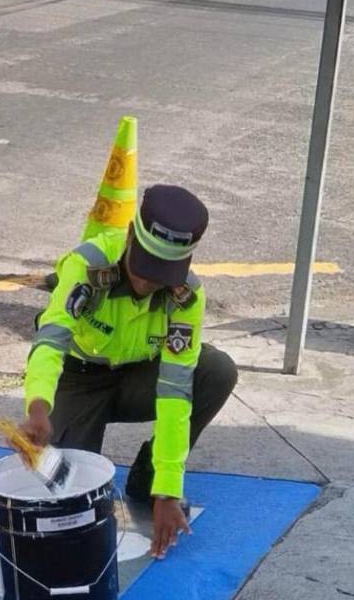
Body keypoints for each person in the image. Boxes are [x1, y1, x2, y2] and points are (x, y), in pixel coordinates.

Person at [19, 184, 238, 559]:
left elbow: (175, 391)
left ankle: (147, 477)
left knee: (216, 371)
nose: (147, 282)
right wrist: (38, 405)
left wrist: (167, 488)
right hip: (79, 377)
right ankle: (71, 437)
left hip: (139, 377)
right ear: (131, 236)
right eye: (144, 265)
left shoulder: (186, 295)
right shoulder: (87, 264)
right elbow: (51, 340)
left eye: (161, 273)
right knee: (68, 496)